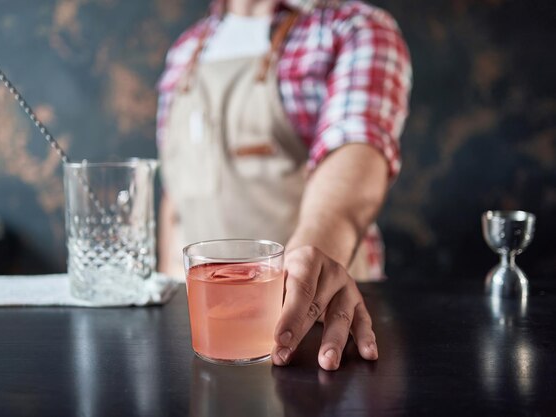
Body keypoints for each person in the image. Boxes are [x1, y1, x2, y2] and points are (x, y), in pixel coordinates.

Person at [156, 0, 412, 371]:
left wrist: (312, 262)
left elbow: (355, 157)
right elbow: (177, 196)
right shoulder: (186, 49)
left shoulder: (350, 28)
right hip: (202, 340)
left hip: (315, 330)